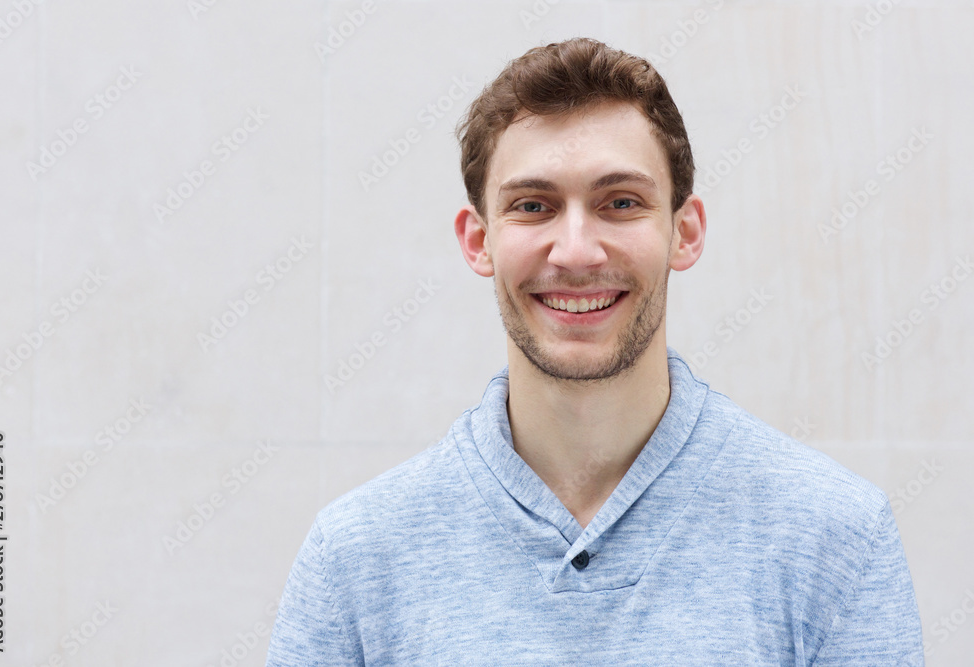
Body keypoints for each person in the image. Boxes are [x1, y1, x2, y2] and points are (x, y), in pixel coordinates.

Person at [265, 37, 924, 665]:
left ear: (684, 232)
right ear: (478, 241)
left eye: (620, 202)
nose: (576, 250)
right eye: (532, 205)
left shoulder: (835, 538)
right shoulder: (354, 559)